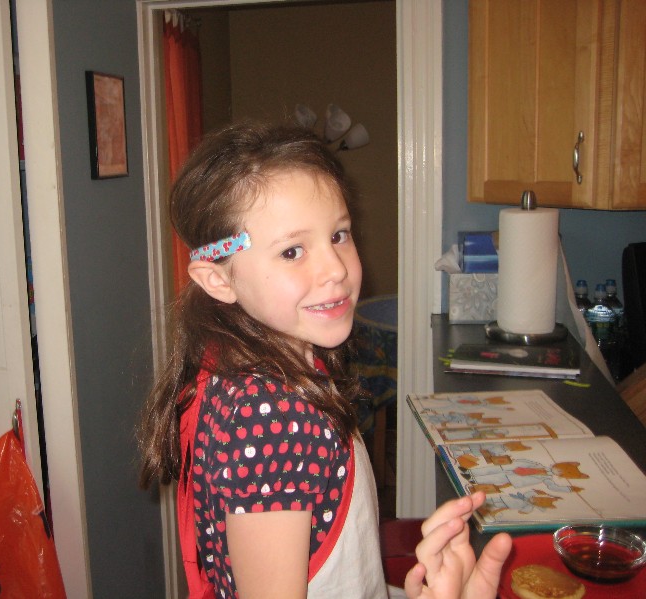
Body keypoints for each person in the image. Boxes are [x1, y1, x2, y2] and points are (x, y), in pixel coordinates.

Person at [138, 122, 512, 598]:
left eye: (339, 235)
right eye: (292, 251)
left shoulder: (252, 366)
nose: (335, 269)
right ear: (218, 279)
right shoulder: (271, 419)